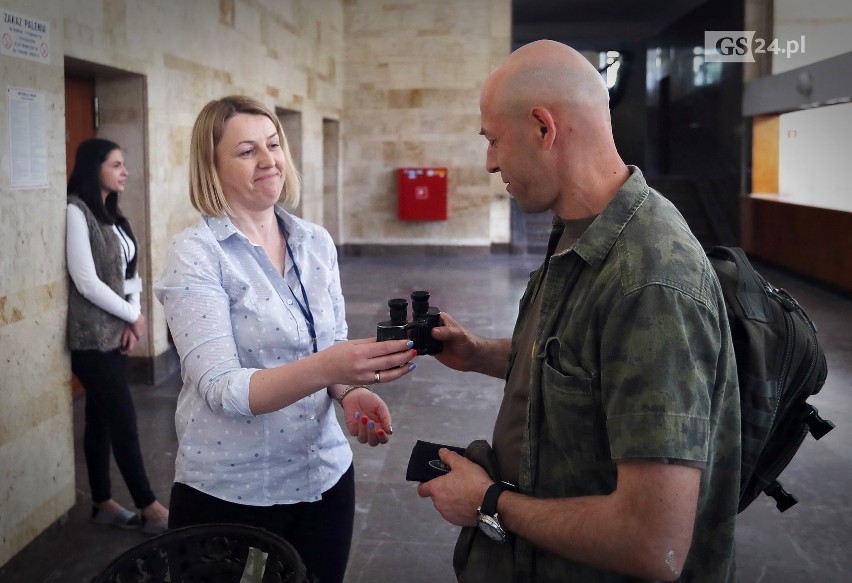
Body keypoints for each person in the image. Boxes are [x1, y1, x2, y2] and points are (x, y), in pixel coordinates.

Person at [417, 40, 741, 582]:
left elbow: (651, 543)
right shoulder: (581, 228)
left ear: (544, 128)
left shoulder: (651, 283)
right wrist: (480, 354)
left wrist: (488, 500)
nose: (490, 161)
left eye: (494, 139)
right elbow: (584, 363)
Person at [153, 95, 417, 583]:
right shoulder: (196, 254)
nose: (269, 160)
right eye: (247, 151)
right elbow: (223, 387)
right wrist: (330, 368)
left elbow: (328, 345)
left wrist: (350, 391)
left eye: (273, 145)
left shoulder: (313, 241)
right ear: (211, 166)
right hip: (232, 492)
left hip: (324, 477)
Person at [66, 138, 170, 535]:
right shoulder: (76, 211)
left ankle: (102, 503)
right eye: (116, 164)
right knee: (124, 418)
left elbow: (129, 273)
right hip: (91, 338)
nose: (124, 171)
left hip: (117, 333)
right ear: (95, 168)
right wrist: (135, 316)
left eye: (124, 164)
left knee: (99, 419)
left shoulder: (111, 214)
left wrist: (131, 320)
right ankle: (150, 507)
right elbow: (86, 281)